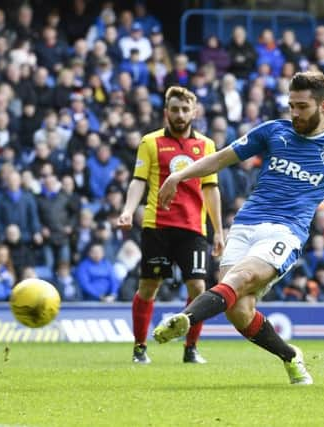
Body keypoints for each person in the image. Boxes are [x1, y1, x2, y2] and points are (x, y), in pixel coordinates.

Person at [153, 71, 324, 384]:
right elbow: (220, 159)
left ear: (323, 106)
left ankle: (185, 319)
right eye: (291, 105)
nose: (295, 113)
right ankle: (290, 356)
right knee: (239, 310)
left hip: (285, 231)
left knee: (242, 277)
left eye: (302, 106)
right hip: (246, 224)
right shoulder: (274, 131)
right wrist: (179, 176)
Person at [117, 86, 224, 364]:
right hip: (158, 226)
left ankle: (191, 348)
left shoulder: (207, 145)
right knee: (149, 286)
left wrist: (219, 231)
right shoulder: (150, 142)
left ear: (194, 112)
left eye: (185, 109)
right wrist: (128, 210)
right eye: (174, 109)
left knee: (198, 289)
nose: (180, 114)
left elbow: (211, 189)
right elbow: (139, 180)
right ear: (166, 112)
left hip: (193, 228)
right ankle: (140, 347)